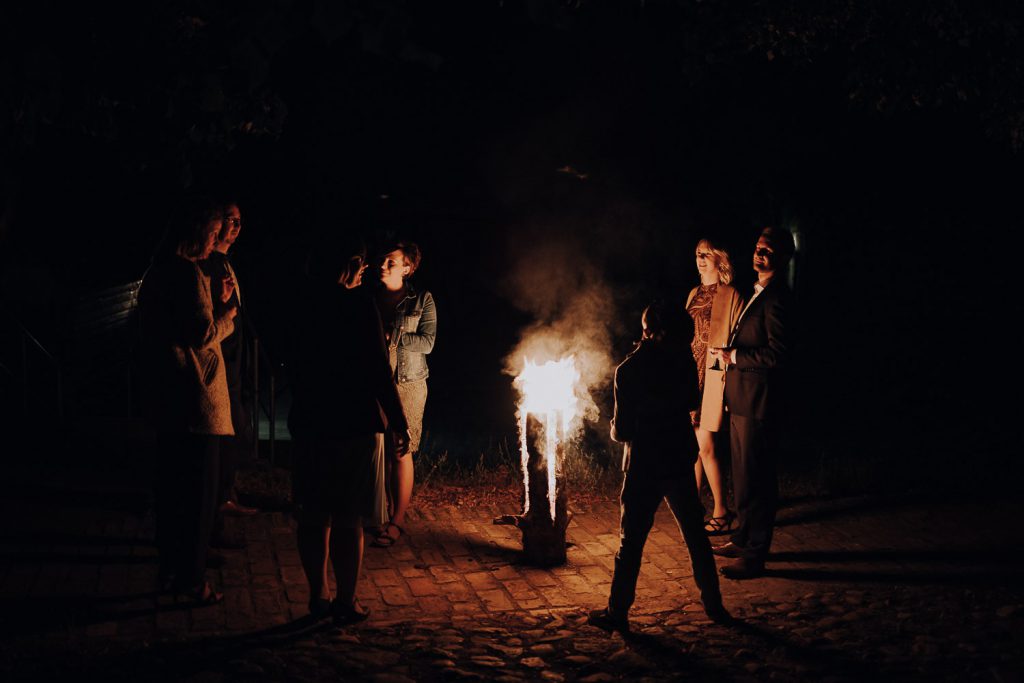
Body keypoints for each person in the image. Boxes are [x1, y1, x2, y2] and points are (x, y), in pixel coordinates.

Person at [287, 232, 410, 624]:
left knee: (313, 512)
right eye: (361, 262)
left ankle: (317, 597)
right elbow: (378, 370)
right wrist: (399, 421)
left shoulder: (302, 302)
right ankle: (345, 600)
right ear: (350, 264)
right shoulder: (357, 306)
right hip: (354, 422)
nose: (365, 269)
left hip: (311, 419)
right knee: (347, 516)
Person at [588, 301, 727, 633]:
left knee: (631, 542)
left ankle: (617, 611)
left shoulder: (629, 369)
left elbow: (623, 430)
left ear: (647, 329)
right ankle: (714, 605)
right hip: (678, 458)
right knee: (696, 536)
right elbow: (691, 401)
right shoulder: (682, 359)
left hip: (644, 465)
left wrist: (613, 428)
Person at [137, 195, 235, 606]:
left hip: (169, 396)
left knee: (172, 489)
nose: (215, 240)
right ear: (196, 233)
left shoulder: (158, 270)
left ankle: (171, 569)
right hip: (197, 398)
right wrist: (227, 314)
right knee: (197, 495)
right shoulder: (187, 272)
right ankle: (192, 580)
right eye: (212, 233)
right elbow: (201, 333)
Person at [709, 227, 796, 579]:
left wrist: (734, 356)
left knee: (758, 478)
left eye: (768, 250)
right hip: (742, 399)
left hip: (759, 402)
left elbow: (778, 354)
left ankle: (755, 554)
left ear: (782, 257)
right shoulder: (756, 292)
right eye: (758, 247)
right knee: (743, 476)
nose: (759, 253)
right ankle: (743, 538)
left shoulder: (778, 299)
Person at [370, 241, 436, 548]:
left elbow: (427, 343)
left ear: (407, 268)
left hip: (408, 384)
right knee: (377, 448)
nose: (382, 266)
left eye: (391, 262)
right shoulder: (370, 297)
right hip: (375, 382)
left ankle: (397, 520)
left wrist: (392, 334)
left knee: (400, 449)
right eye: (382, 261)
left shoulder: (421, 300)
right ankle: (379, 513)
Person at [201, 199, 259, 529]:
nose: (236, 226)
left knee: (234, 427)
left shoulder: (225, 262)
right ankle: (218, 503)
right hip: (219, 360)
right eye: (229, 219)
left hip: (233, 359)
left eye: (239, 221)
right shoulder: (207, 264)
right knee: (224, 431)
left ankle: (226, 493)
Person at [685, 239, 744, 535]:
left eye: (707, 254)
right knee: (692, 447)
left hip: (712, 376)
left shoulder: (731, 294)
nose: (701, 258)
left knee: (706, 446)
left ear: (720, 258)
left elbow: (739, 336)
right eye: (698, 253)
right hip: (689, 375)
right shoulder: (693, 293)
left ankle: (721, 510)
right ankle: (692, 506)